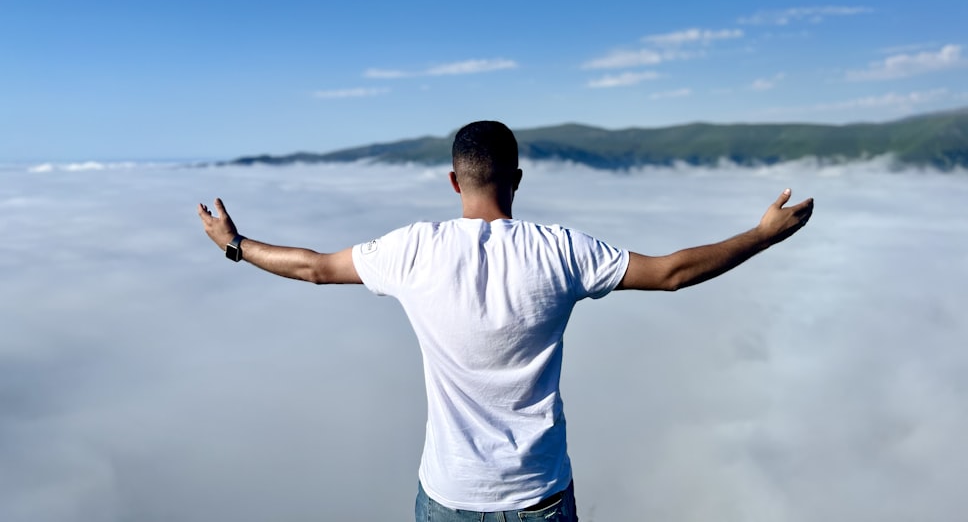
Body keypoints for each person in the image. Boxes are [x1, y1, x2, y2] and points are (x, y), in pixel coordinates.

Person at [198, 120, 814, 521]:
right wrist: (763, 236)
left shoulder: (414, 249)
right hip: (538, 495)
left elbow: (314, 268)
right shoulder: (559, 249)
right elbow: (672, 272)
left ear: (452, 181)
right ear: (516, 179)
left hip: (448, 495)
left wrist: (235, 245)